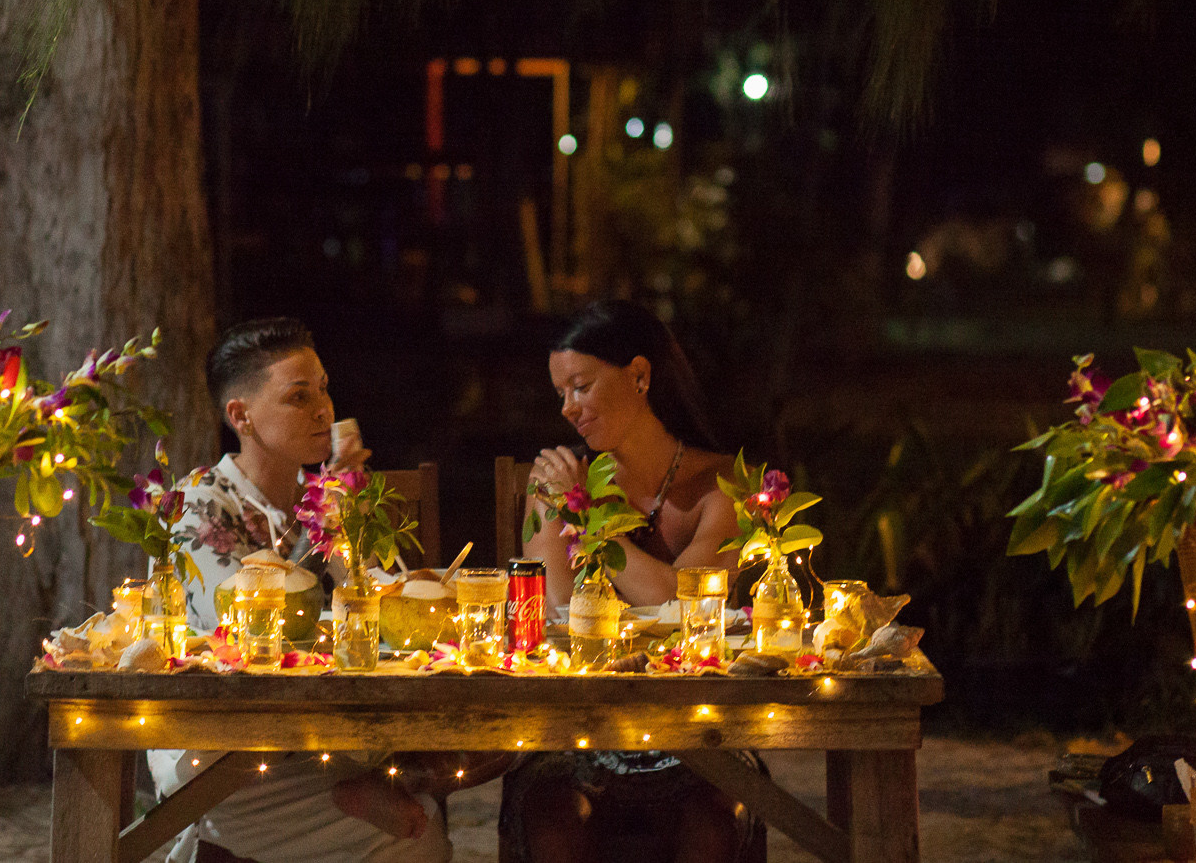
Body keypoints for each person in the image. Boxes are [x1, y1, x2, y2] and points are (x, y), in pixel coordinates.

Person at [155, 317, 504, 863]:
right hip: (234, 751)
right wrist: (324, 519)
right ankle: (389, 789)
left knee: (497, 738)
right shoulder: (200, 501)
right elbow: (244, 623)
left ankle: (399, 781)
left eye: (323, 389)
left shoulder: (319, 495)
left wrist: (420, 590)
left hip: (322, 734)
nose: (323, 409)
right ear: (240, 416)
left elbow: (367, 593)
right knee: (416, 838)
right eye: (298, 396)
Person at [503, 300, 763, 863]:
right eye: (560, 395)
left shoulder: (723, 484)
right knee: (554, 820)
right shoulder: (558, 481)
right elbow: (560, 608)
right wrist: (568, 507)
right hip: (578, 727)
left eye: (581, 387)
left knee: (713, 822)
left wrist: (593, 526)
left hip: (700, 726)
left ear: (640, 375)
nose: (568, 409)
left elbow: (687, 603)